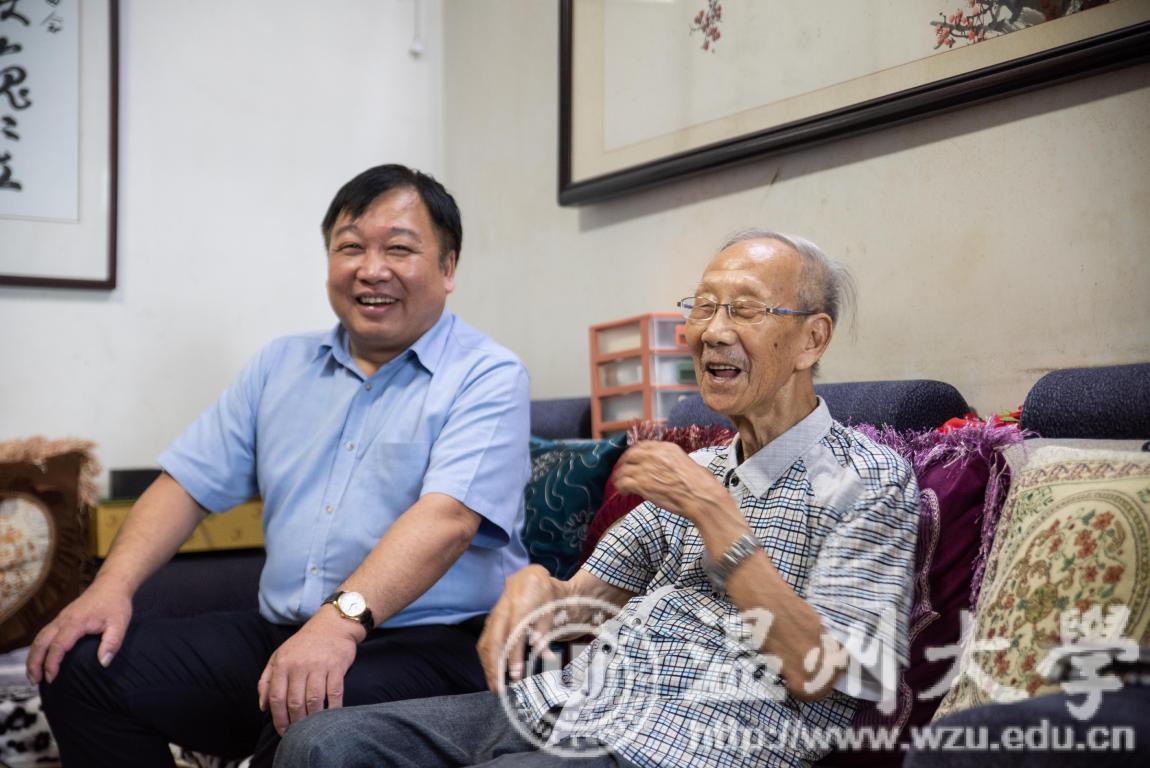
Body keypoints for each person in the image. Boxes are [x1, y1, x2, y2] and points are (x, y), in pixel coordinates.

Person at [273, 229, 921, 768]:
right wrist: (536, 589)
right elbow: (583, 601)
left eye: (744, 310)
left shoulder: (870, 480)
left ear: (812, 339)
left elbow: (821, 672)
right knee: (321, 744)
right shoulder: (697, 470)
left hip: (692, 741)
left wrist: (717, 520)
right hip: (575, 701)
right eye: (703, 308)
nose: (712, 332)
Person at [27, 164, 532, 767]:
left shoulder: (487, 375)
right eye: (350, 247)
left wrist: (338, 624)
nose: (371, 269)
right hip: (286, 634)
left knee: (315, 712)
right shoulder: (280, 366)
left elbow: (448, 521)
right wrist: (109, 589)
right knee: (81, 666)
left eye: (399, 249)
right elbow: (185, 484)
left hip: (432, 644)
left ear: (448, 268)